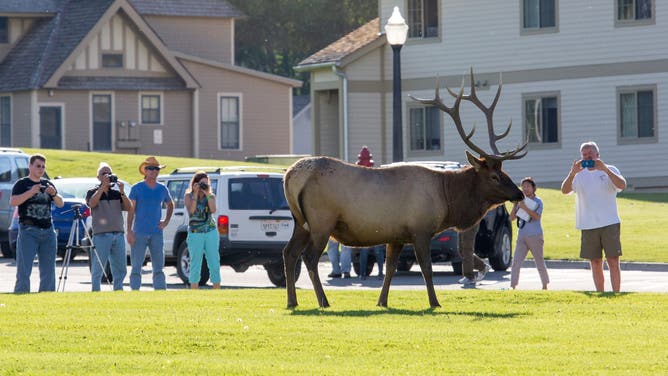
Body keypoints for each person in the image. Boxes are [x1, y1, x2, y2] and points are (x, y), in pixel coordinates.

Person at [561, 141, 626, 292]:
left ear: (598, 155)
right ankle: (600, 293)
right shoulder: (578, 174)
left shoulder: (610, 169)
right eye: (584, 155)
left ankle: (616, 292)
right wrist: (572, 173)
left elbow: (622, 185)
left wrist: (604, 169)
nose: (587, 158)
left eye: (590, 154)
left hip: (610, 222)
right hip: (588, 224)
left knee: (613, 260)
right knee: (595, 262)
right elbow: (564, 190)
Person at [11, 153, 64, 293]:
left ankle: (47, 296)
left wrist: (53, 194)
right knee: (24, 268)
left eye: (43, 166)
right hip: (28, 230)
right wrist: (30, 193)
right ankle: (21, 294)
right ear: (30, 166)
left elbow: (60, 203)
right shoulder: (22, 184)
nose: (41, 169)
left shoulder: (47, 183)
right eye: (38, 166)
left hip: (48, 230)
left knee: (48, 269)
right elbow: (13, 202)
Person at [127, 156, 174, 290]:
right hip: (139, 232)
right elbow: (131, 210)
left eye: (157, 168)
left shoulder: (162, 188)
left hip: (156, 233)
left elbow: (170, 205)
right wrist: (129, 231)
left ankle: (160, 292)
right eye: (151, 168)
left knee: (158, 267)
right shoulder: (137, 188)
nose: (154, 171)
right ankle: (135, 291)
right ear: (145, 171)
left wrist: (165, 222)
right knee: (136, 266)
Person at [86, 162, 132, 291]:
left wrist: (122, 192)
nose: (107, 176)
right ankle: (95, 291)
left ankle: (118, 290)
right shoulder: (92, 192)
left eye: (109, 173)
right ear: (98, 177)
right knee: (98, 267)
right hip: (101, 235)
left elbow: (129, 208)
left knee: (120, 268)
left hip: (118, 234)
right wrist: (102, 188)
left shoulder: (116, 193)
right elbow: (92, 204)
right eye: (103, 174)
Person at [509, 177, 549, 290]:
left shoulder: (538, 201)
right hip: (522, 235)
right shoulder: (521, 201)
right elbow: (511, 218)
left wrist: (524, 208)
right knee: (516, 261)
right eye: (523, 186)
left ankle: (545, 284)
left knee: (539, 261)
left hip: (535, 235)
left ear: (533, 188)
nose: (525, 189)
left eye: (528, 186)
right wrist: (515, 206)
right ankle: (513, 285)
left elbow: (536, 217)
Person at [353, 145, 386, 280]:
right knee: (376, 250)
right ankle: (378, 273)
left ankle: (363, 274)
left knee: (365, 249)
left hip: (364, 219)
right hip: (375, 219)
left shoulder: (358, 183)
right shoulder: (377, 181)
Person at [184, 171, 221, 289]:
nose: (204, 185)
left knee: (214, 261)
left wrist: (208, 193)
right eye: (202, 183)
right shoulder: (188, 196)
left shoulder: (211, 195)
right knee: (195, 262)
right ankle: (194, 289)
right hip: (195, 233)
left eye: (207, 183)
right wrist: (195, 194)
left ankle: (217, 288)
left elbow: (213, 210)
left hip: (210, 231)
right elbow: (192, 212)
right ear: (195, 183)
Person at [457, 224, 491, 289]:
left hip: (470, 221)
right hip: (460, 223)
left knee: (467, 249)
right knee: (461, 251)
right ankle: (482, 266)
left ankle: (469, 277)